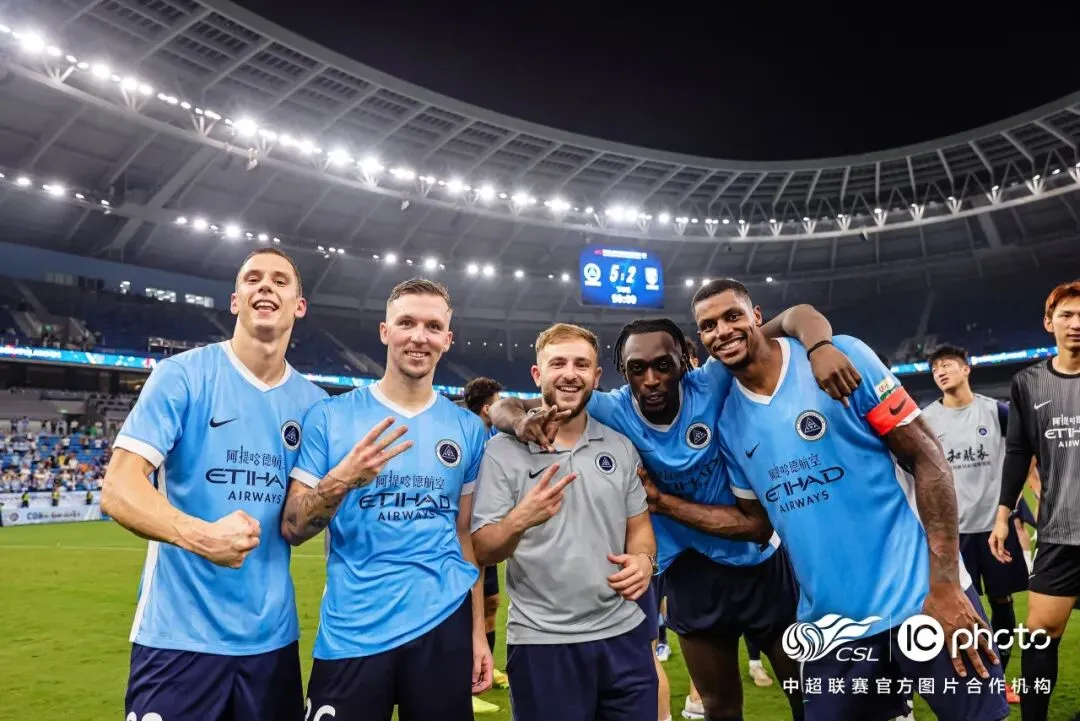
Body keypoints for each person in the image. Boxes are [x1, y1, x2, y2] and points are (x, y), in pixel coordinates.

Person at [489, 305, 862, 721]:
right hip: (688, 570)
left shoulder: (711, 381)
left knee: (808, 696)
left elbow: (794, 317)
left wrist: (820, 346)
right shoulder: (610, 409)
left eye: (663, 365)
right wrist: (517, 423)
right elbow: (508, 406)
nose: (651, 379)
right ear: (622, 373)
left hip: (758, 563)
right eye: (637, 369)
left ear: (684, 363)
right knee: (718, 707)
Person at [695, 278, 1007, 721]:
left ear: (757, 317)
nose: (722, 331)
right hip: (833, 627)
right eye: (708, 326)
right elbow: (756, 524)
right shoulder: (728, 423)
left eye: (732, 316)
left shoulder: (840, 356)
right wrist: (662, 504)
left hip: (922, 597)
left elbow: (927, 458)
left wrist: (945, 584)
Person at [101, 248, 327, 721]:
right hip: (176, 640)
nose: (265, 286)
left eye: (280, 280)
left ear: (300, 305)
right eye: (253, 278)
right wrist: (200, 535)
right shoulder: (182, 376)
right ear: (235, 300)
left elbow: (299, 522)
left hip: (271, 645)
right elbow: (119, 487)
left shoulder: (315, 405)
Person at [281, 278, 492, 721]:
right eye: (406, 323)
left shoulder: (468, 429)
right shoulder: (331, 416)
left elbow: (464, 538)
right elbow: (293, 527)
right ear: (385, 331)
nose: (419, 336)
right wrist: (340, 481)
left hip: (443, 626)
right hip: (354, 626)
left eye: (433, 327)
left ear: (448, 340)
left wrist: (477, 633)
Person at [471, 323, 659, 721]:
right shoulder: (502, 452)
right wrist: (520, 519)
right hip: (543, 643)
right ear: (537, 374)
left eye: (581, 364)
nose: (570, 374)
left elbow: (639, 526)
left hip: (624, 637)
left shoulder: (619, 446)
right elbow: (484, 550)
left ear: (596, 376)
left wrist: (644, 561)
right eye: (558, 363)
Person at [991, 279, 1080, 721]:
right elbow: (1018, 453)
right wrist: (1003, 514)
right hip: (1060, 531)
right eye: (1067, 315)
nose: (1076, 323)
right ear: (1049, 322)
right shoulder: (1028, 382)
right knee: (1040, 634)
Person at [922, 343, 1028, 704]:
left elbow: (1024, 452)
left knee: (1001, 601)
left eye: (947, 365)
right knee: (961, 606)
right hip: (951, 534)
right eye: (935, 369)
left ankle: (1001, 678)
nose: (940, 372)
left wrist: (1010, 504)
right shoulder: (927, 419)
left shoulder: (996, 411)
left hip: (994, 528)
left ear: (966, 369)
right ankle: (970, 680)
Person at [462, 376, 512, 695]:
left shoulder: (491, 436)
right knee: (470, 605)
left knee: (491, 601)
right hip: (465, 534)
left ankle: (486, 668)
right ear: (486, 408)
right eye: (498, 401)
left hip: (485, 527)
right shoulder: (466, 435)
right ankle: (466, 680)